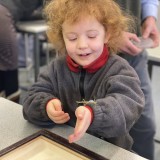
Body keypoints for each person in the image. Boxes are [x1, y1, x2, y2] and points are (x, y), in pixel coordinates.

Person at [23, 0, 145, 151]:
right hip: (66, 147)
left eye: (92, 36)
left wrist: (95, 113)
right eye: (72, 38)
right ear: (62, 37)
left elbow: (128, 105)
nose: (82, 45)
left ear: (107, 34)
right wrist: (46, 106)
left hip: (108, 151)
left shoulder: (120, 70)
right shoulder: (56, 68)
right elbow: (30, 99)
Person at [114, 0, 159, 159]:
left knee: (145, 128)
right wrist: (106, 34)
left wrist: (150, 16)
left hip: (133, 55)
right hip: (89, 60)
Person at [0, 0, 43, 102]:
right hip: (2, 15)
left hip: (5, 12)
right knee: (10, 64)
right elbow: (52, 12)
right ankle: (11, 108)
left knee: (3, 63)